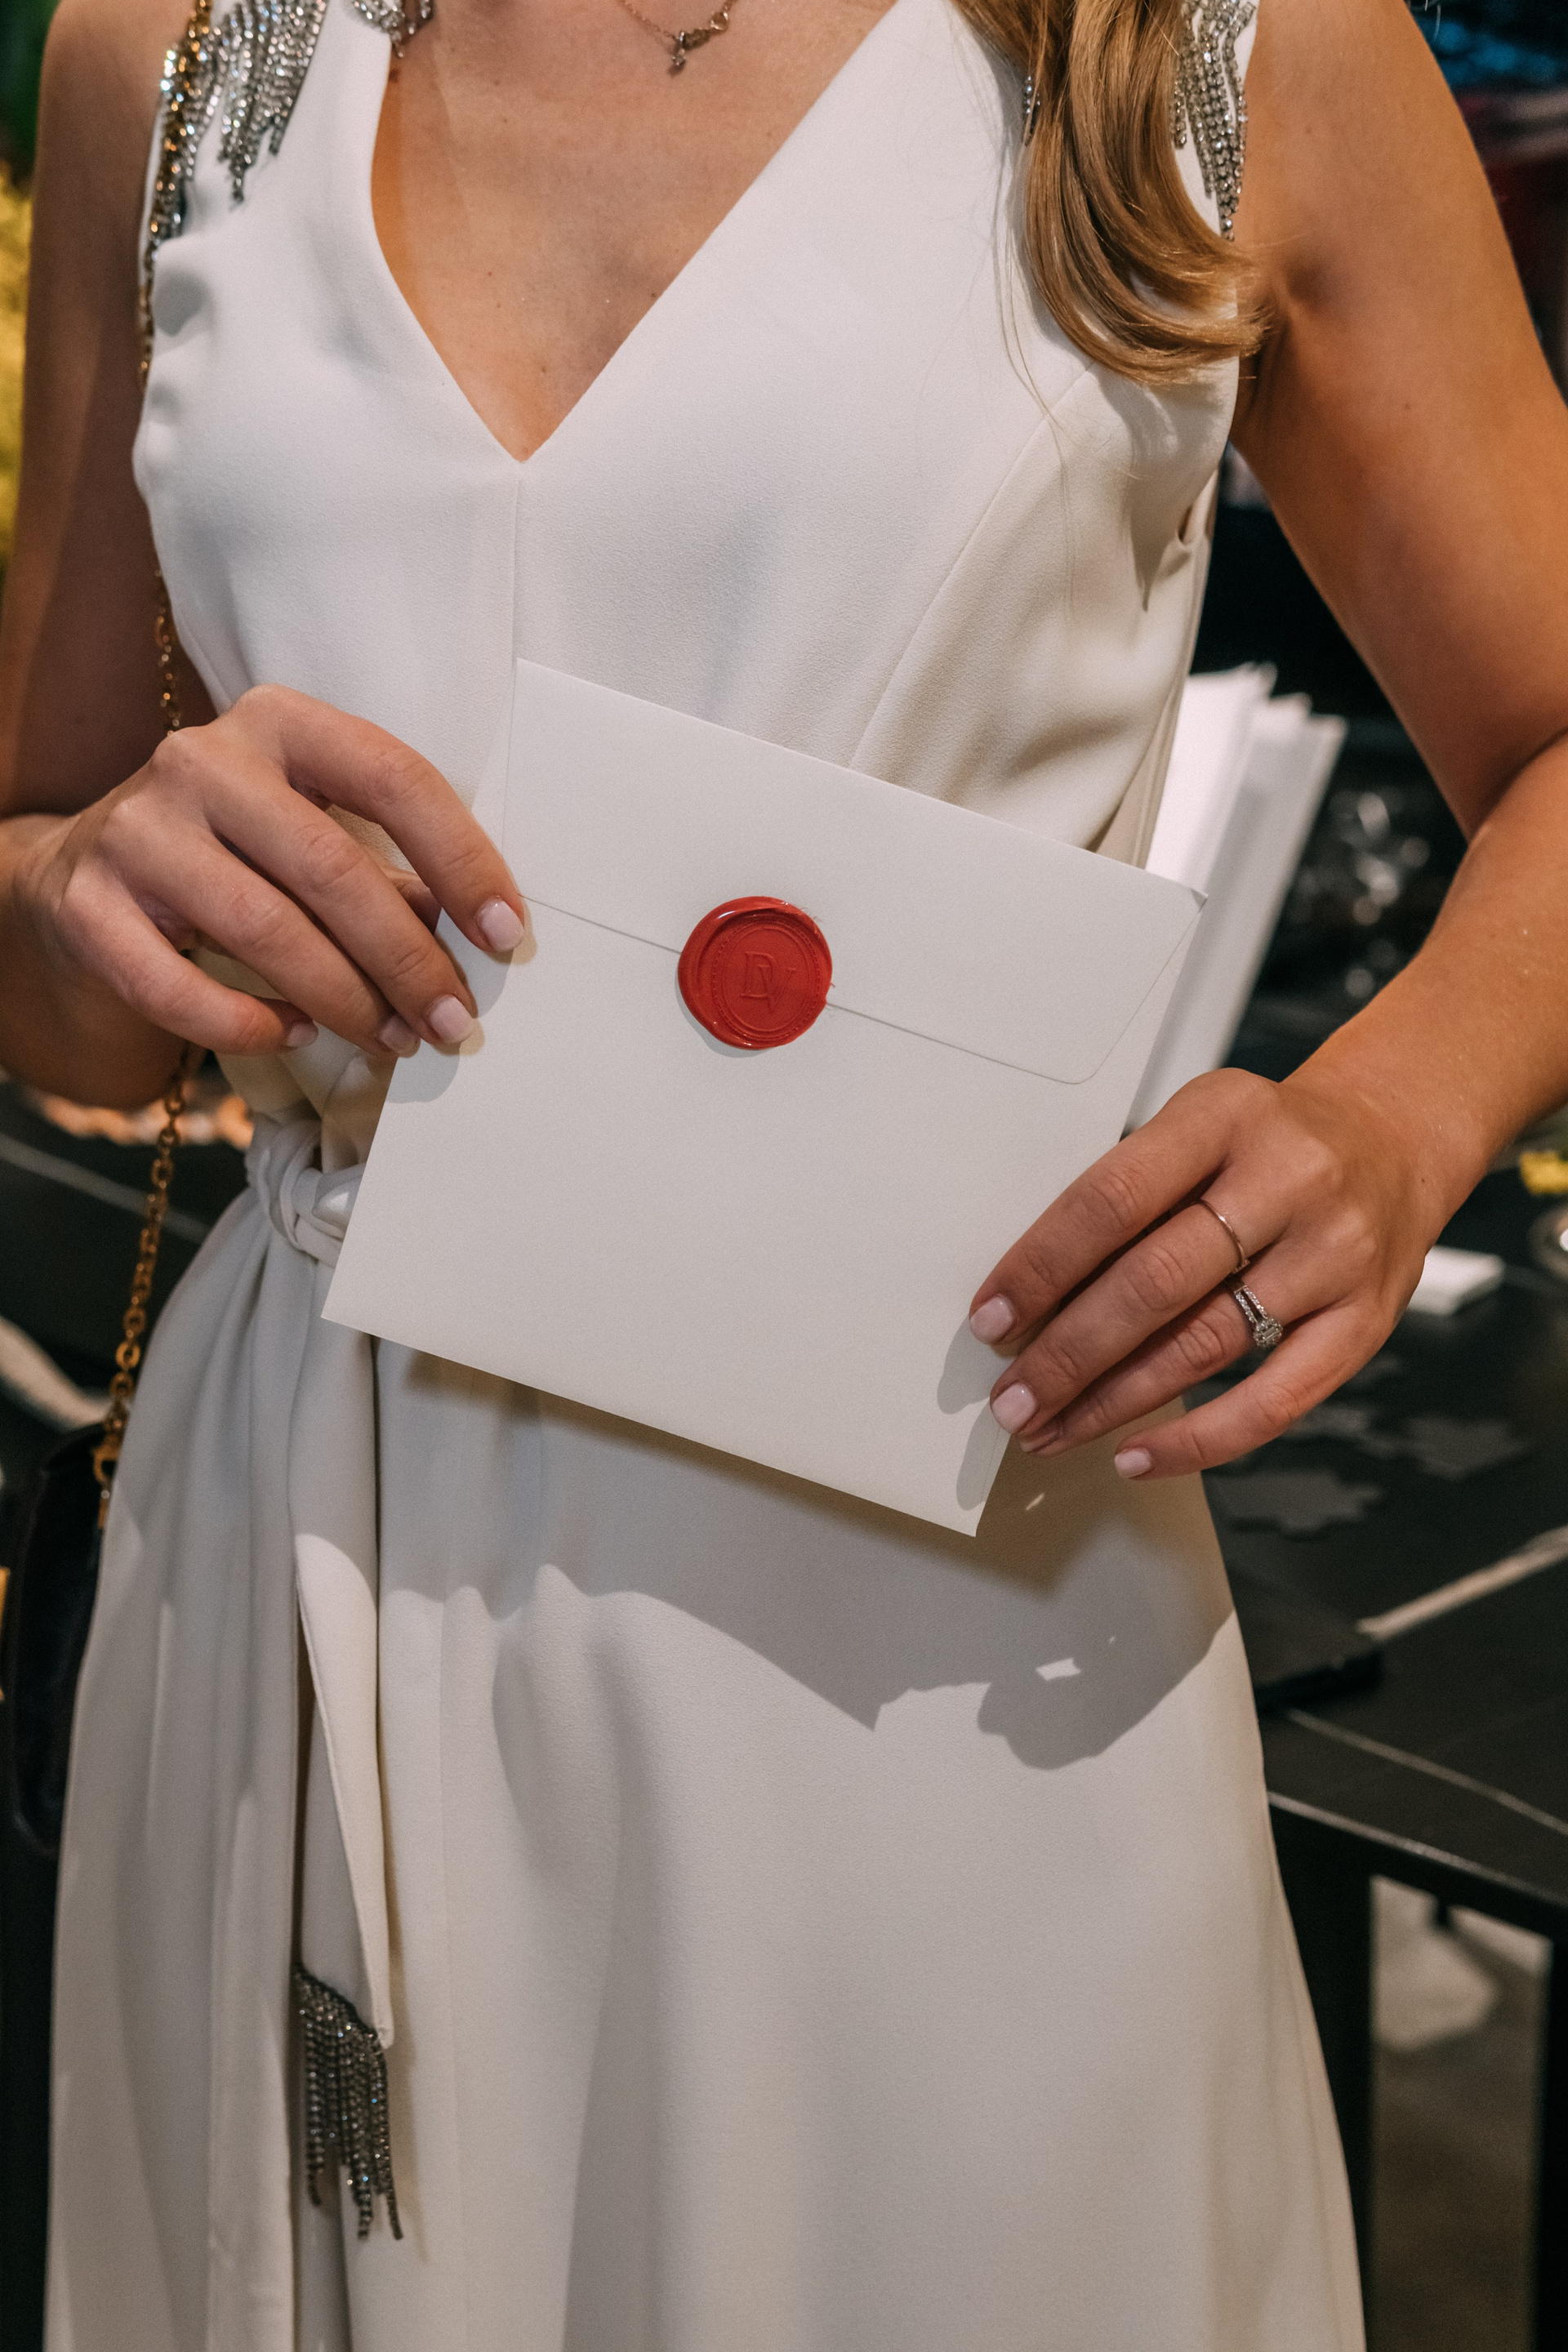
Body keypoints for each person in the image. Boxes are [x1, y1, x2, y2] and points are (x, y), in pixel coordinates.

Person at [3, 0, 1567, 2335]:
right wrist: (79, 889)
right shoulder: (181, 53)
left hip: (927, 1586)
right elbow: (62, 965)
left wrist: (1388, 1122)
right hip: (296, 1550)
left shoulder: (1215, 49)